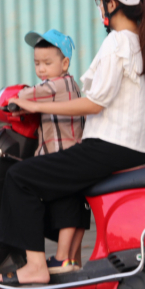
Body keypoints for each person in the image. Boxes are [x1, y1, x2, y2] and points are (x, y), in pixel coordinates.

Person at [0, 0, 145, 285]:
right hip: (141, 153)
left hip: (109, 149)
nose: (101, 9)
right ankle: (66, 260)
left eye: (101, 2)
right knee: (62, 177)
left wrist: (34, 104)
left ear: (112, 5)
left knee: (20, 177)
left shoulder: (119, 43)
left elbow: (95, 102)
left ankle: (35, 266)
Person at [15, 29, 88, 274]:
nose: (41, 69)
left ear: (65, 63)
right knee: (75, 207)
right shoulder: (73, 85)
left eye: (47, 63)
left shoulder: (57, 85)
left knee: (63, 206)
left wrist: (14, 98)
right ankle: (71, 259)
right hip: (76, 156)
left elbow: (28, 94)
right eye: (37, 63)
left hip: (59, 155)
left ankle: (60, 258)